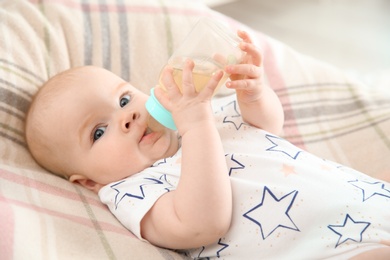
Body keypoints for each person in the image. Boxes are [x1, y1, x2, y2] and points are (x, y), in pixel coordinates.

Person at [25, 30, 389, 259]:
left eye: (123, 100)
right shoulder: (134, 192)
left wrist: (254, 91)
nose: (127, 117)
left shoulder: (201, 116)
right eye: (98, 132)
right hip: (335, 248)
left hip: (370, 199)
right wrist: (196, 123)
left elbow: (267, 128)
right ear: (89, 181)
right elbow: (203, 223)